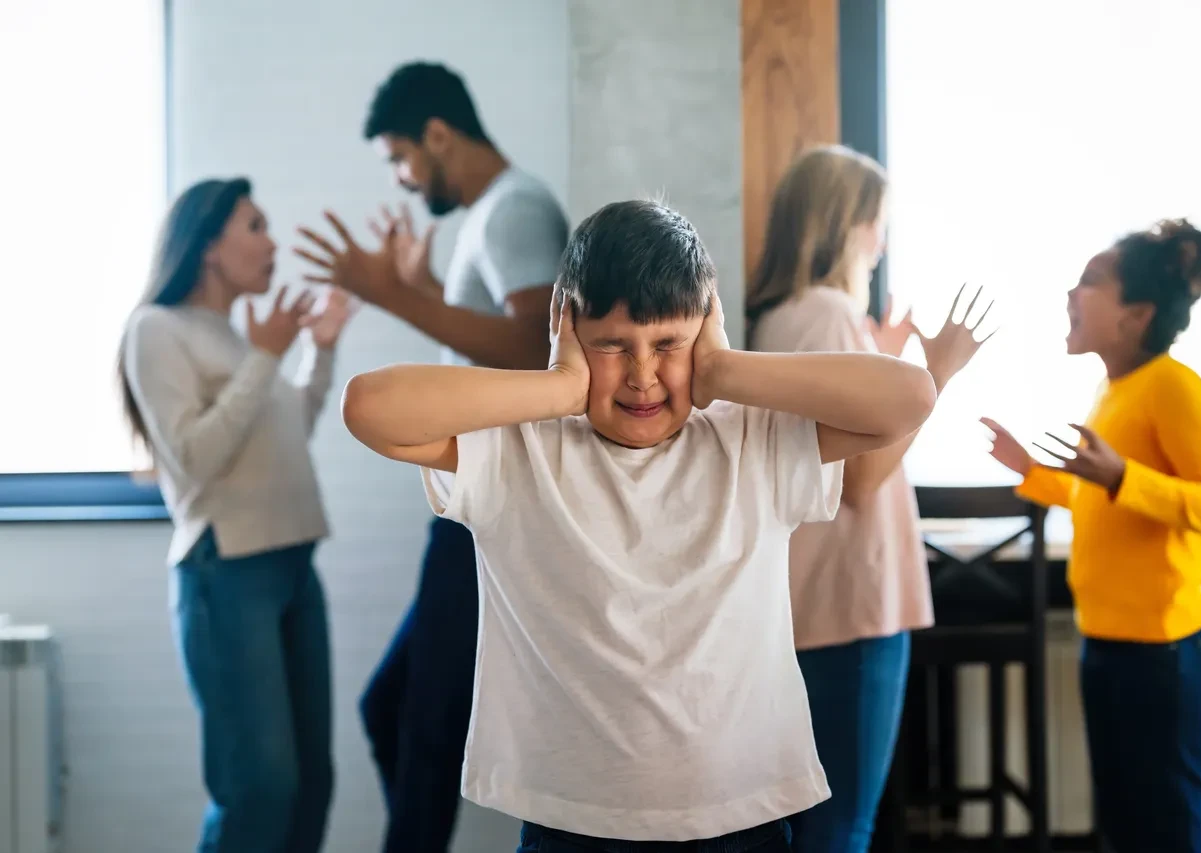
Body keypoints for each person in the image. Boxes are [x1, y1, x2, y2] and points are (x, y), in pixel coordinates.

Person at [338, 199, 938, 852]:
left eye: (669, 345)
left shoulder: (752, 440)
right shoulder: (518, 450)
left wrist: (726, 370)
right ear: (566, 327)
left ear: (707, 330)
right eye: (613, 347)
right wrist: (562, 387)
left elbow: (911, 398)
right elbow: (371, 407)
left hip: (741, 817)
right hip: (571, 826)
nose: (645, 375)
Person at [293, 61, 569, 851]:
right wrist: (429, 298)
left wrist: (399, 297)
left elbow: (535, 348)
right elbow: (490, 349)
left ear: (438, 135)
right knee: (395, 712)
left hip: (493, 509)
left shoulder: (517, 207)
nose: (405, 179)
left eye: (401, 158)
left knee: (422, 727)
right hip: (470, 501)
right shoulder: (488, 215)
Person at [746, 145, 992, 853]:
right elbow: (858, 480)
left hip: (816, 601)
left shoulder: (790, 314)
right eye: (874, 222)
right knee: (843, 824)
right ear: (843, 224)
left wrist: (880, 359)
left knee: (818, 820)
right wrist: (932, 372)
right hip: (852, 603)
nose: (881, 241)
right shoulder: (827, 314)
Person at [981, 219, 1201, 853]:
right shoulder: (1114, 389)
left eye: (1089, 282)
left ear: (1137, 315)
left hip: (1169, 651)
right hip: (1110, 644)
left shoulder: (1175, 387)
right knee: (1127, 824)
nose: (1071, 293)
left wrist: (1124, 475)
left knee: (1166, 824)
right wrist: (1033, 473)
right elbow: (1102, 498)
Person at [118, 177, 355, 853]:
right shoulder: (156, 331)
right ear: (208, 245)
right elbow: (195, 456)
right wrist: (268, 354)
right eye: (256, 226)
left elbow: (288, 433)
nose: (273, 242)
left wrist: (323, 347)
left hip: (292, 565)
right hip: (226, 573)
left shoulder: (234, 334)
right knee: (258, 787)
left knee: (313, 780)